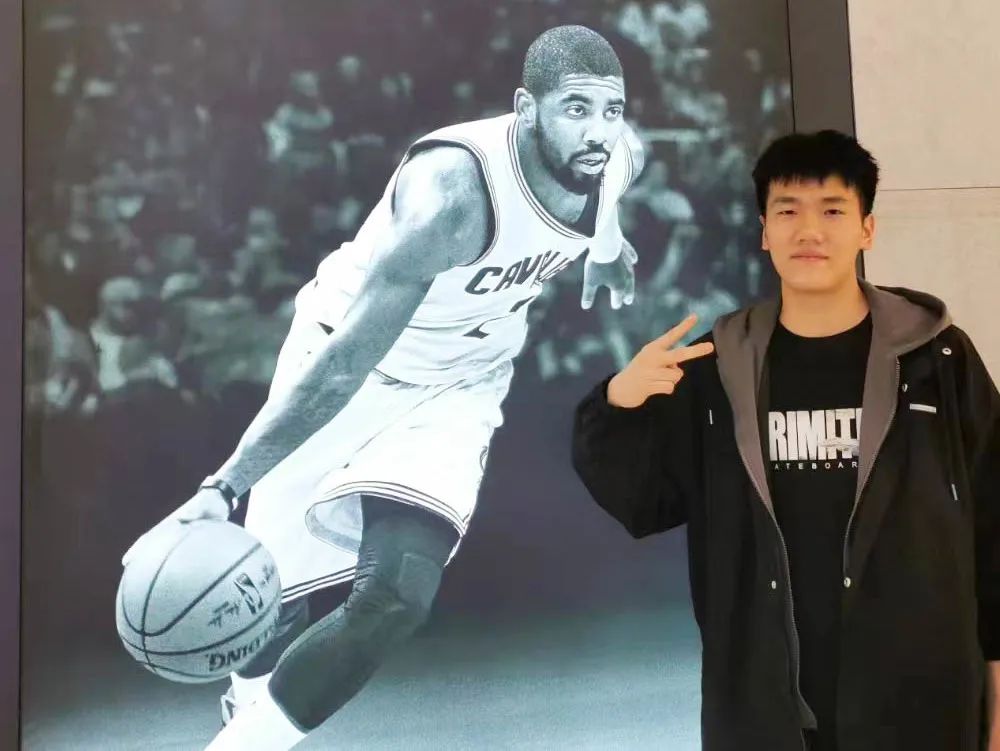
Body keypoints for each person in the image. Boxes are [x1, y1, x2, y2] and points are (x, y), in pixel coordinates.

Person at [123, 25, 644, 750]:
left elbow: (609, 197)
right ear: (526, 109)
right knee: (266, 611)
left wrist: (606, 253)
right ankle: (246, 698)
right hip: (347, 358)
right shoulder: (452, 196)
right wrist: (222, 488)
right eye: (575, 109)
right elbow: (344, 366)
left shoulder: (615, 154)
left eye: (611, 110)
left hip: (459, 383)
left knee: (397, 593)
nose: (597, 130)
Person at [571, 130, 1000, 751]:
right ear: (764, 233)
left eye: (833, 211)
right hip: (764, 707)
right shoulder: (718, 368)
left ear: (867, 229)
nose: (810, 231)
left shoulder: (939, 358)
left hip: (919, 701)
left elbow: (994, 521)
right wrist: (617, 403)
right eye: (788, 211)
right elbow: (645, 502)